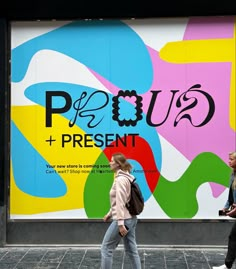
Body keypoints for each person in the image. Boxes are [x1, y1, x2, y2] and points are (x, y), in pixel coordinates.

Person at [101, 152, 142, 269]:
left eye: (111, 161)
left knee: (106, 248)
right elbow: (121, 200)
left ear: (118, 164)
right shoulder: (127, 177)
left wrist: (120, 223)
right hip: (131, 219)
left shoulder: (120, 180)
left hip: (123, 221)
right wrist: (110, 213)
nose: (109, 163)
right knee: (131, 249)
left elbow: (120, 202)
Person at [213, 151, 236, 269]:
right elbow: (231, 195)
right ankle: (227, 265)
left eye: (231, 159)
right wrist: (226, 207)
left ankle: (227, 265)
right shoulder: (233, 175)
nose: (229, 161)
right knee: (234, 237)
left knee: (233, 237)